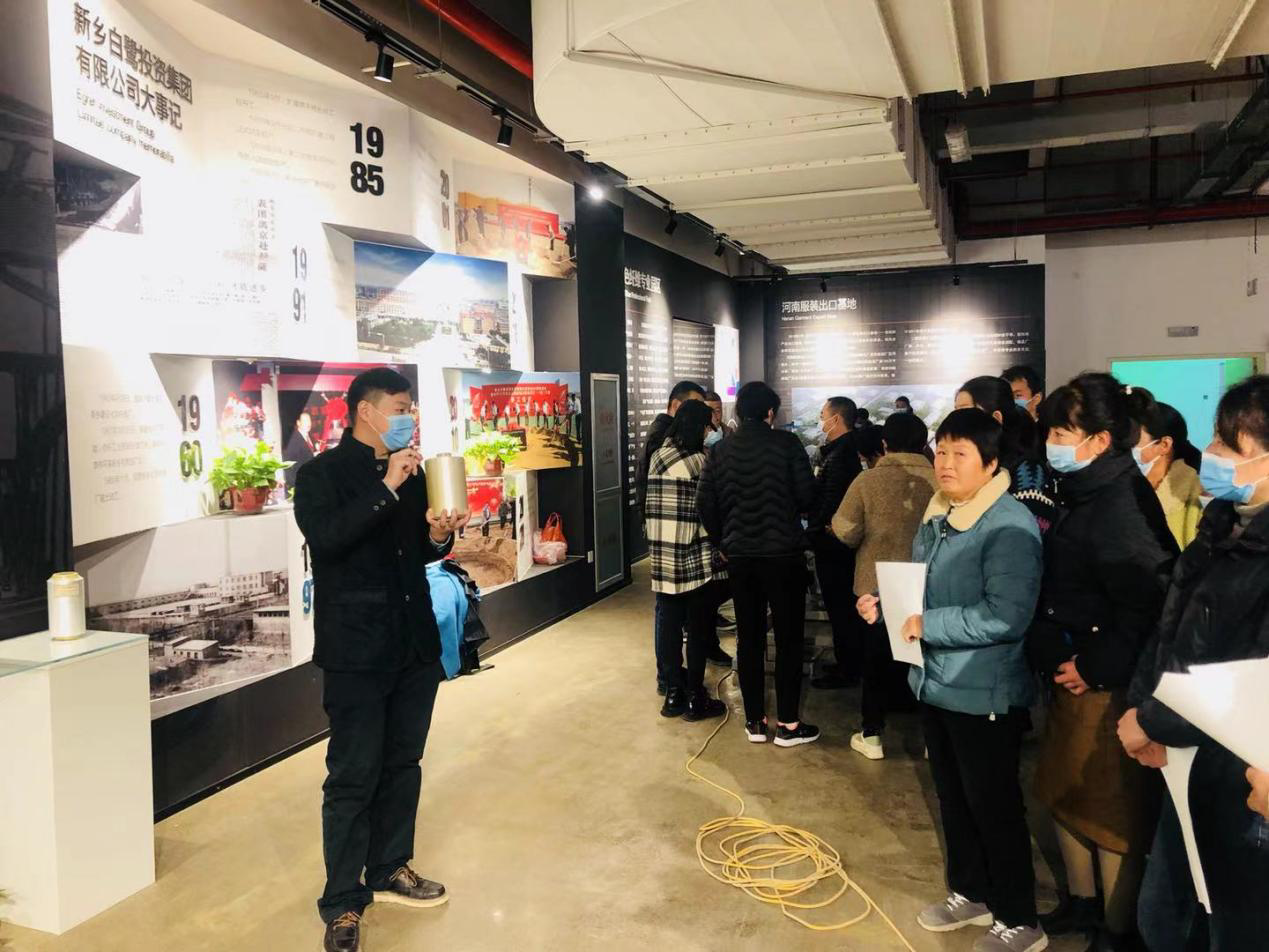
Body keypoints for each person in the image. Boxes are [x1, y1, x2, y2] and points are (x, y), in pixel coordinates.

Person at [293, 368, 469, 952]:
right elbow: (328, 539)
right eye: (399, 407)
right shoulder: (319, 475)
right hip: (355, 651)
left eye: (410, 408)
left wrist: (439, 533)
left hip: (413, 645)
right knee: (352, 775)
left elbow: (419, 550)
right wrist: (387, 487)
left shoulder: (411, 473)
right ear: (365, 411)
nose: (408, 417)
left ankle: (390, 865)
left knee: (403, 762)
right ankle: (342, 899)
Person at [860, 408, 1045, 952]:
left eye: (960, 453)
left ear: (990, 463)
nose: (945, 462)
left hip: (983, 687)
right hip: (937, 681)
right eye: (941, 450)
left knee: (994, 805)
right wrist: (887, 605)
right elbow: (926, 588)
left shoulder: (1009, 525)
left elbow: (1007, 615)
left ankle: (1021, 919)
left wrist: (927, 624)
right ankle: (971, 892)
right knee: (953, 797)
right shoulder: (940, 511)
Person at [1027, 372, 1178, 951]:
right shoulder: (1084, 488)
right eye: (1051, 432)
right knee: (1064, 792)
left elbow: (1148, 606)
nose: (1052, 444)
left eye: (1063, 434)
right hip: (1074, 669)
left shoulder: (1120, 504)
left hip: (1106, 683)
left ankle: (1116, 931)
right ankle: (1082, 904)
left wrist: (1094, 667)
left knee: (1108, 811)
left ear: (1100, 440)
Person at [1119, 375, 1269, 951]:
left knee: (1232, 922)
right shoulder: (1220, 524)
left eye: (1229, 445)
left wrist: (1152, 720)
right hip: (1183, 753)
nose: (1211, 454)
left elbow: (1243, 674)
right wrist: (1143, 709)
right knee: (1166, 916)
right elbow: (1172, 627)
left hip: (1242, 774)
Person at [698, 381, 819, 747]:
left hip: (741, 558)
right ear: (770, 412)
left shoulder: (720, 450)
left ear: (738, 412)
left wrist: (723, 541)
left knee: (748, 638)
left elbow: (705, 503)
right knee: (788, 639)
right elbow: (807, 496)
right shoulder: (788, 444)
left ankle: (754, 721)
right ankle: (789, 725)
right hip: (784, 556)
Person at [832, 410, 937, 759]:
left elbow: (846, 530)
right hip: (929, 584)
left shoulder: (868, 481)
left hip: (875, 587)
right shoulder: (940, 480)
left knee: (875, 662)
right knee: (927, 660)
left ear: (884, 443)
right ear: (924, 443)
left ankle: (873, 734)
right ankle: (931, 738)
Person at [636, 380, 729, 693]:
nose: (708, 433)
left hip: (663, 550)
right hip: (691, 552)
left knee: (668, 618)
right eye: (706, 428)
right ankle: (693, 692)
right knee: (697, 623)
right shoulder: (698, 462)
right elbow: (709, 508)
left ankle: (671, 686)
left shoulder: (659, 454)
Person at [808, 396, 864, 690]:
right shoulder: (839, 451)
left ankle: (848, 668)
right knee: (839, 607)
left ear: (836, 419)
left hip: (834, 544)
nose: (821, 422)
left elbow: (832, 501)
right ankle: (846, 662)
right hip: (832, 541)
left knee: (841, 606)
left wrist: (815, 529)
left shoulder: (842, 455)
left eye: (822, 416)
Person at [955, 376, 1057, 531]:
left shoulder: (1028, 471)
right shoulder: (972, 465)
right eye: (955, 411)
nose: (955, 420)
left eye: (964, 411)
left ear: (996, 418)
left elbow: (1028, 534)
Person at [1125, 389, 1204, 549]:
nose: (1123, 447)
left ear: (1164, 445)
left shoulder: (1197, 496)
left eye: (1132, 440)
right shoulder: (1119, 486)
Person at [285, 411, 317, 488]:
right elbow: (289, 464)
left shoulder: (310, 436)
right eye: (305, 421)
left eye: (309, 420)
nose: (308, 423)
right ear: (298, 423)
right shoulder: (293, 439)